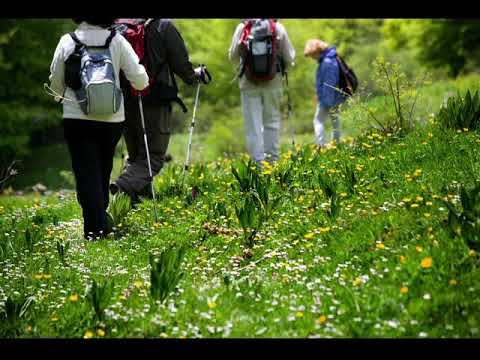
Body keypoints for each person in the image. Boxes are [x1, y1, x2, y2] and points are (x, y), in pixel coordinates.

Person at [48, 17, 149, 240]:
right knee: (102, 169)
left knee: (86, 172)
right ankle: (100, 221)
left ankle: (95, 229)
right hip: (112, 119)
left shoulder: (68, 41)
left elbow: (56, 83)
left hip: (77, 118)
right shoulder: (117, 40)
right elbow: (140, 79)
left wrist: (62, 98)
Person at [110, 18, 209, 204]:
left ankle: (139, 196)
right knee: (153, 157)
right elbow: (181, 64)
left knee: (138, 154)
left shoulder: (117, 26)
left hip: (124, 99)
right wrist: (194, 75)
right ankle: (123, 185)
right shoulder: (163, 26)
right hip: (155, 99)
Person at [229, 19, 295, 165]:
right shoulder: (277, 27)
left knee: (253, 124)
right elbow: (290, 58)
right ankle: (273, 161)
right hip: (273, 81)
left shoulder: (243, 27)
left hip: (248, 82)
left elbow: (232, 56)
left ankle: (258, 164)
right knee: (272, 121)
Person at [304, 39, 347, 148]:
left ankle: (321, 145)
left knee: (318, 120)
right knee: (335, 118)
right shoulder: (330, 59)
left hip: (329, 98)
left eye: (312, 55)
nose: (312, 58)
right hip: (334, 96)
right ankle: (336, 143)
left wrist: (325, 101)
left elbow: (329, 83)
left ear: (317, 52)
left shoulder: (327, 62)